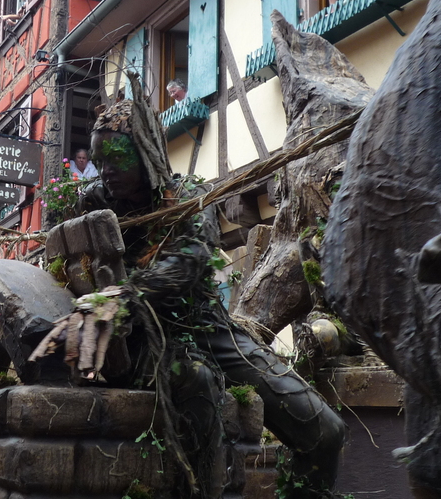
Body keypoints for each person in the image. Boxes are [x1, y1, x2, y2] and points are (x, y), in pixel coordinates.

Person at [77, 99, 345, 497]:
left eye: (118, 156)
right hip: (143, 341)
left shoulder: (187, 194)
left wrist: (127, 294)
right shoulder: (94, 202)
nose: (106, 170)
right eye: (100, 160)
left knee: (326, 432)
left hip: (211, 329)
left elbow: (191, 260)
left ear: (148, 151)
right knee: (196, 380)